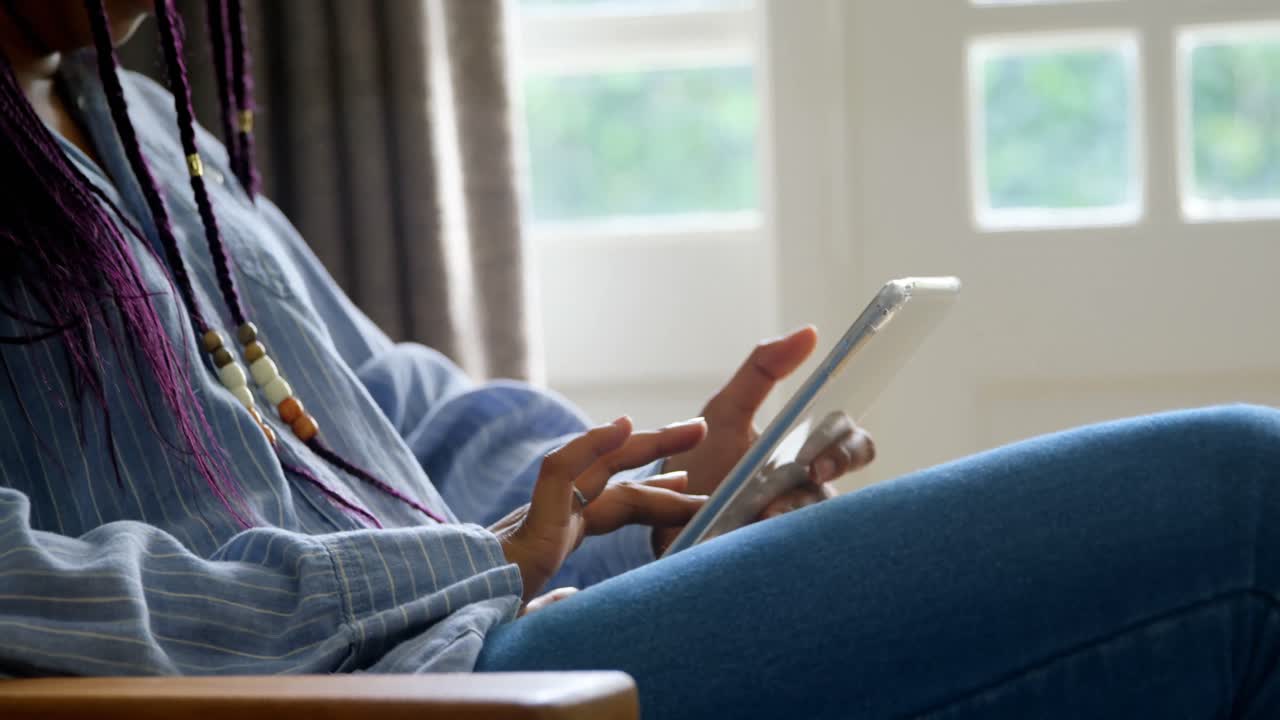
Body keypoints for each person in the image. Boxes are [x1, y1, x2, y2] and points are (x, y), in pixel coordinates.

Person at [1, 2, 1278, 718]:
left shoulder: (145, 128)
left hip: (504, 643)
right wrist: (475, 565)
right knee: (1238, 498)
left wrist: (662, 495)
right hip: (418, 696)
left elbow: (394, 420)